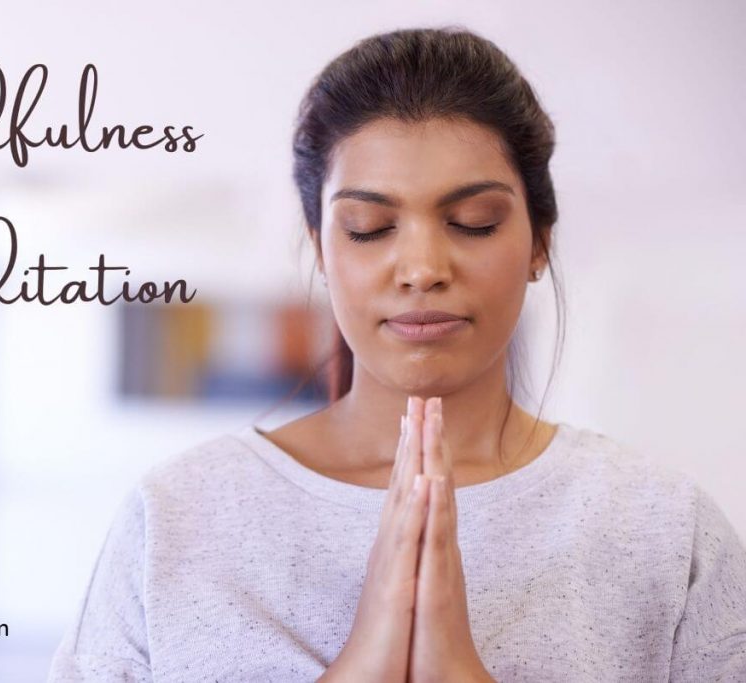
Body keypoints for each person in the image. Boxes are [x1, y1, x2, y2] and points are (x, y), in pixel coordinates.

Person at [47, 27, 746, 682]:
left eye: (472, 222)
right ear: (322, 247)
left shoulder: (663, 530)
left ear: (539, 242)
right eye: (369, 227)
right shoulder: (178, 519)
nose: (420, 267)